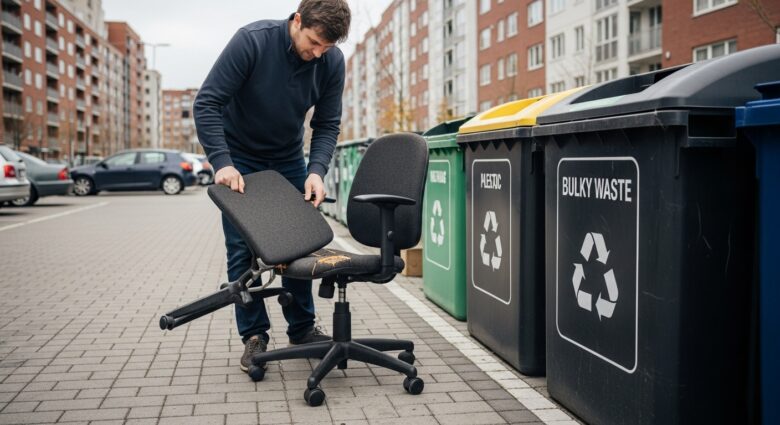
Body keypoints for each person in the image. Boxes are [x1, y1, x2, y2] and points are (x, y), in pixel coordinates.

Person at [193, 0, 351, 374]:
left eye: (326, 48)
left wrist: (316, 170)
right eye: (313, 42)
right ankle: (254, 336)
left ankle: (301, 328)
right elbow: (207, 103)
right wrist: (222, 161)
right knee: (242, 249)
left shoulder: (331, 61)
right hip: (239, 156)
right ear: (297, 20)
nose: (317, 54)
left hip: (288, 158)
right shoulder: (252, 41)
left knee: (299, 242)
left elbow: (327, 123)